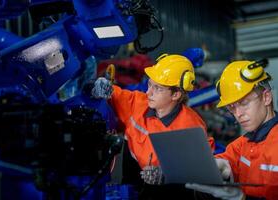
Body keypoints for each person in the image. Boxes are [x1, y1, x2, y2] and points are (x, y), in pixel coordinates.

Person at [92, 53, 215, 198]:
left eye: (157, 88)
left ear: (176, 95)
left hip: (168, 188)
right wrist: (99, 86)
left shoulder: (191, 127)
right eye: (150, 84)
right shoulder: (138, 103)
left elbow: (204, 169)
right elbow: (112, 94)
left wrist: (168, 175)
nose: (148, 92)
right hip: (133, 174)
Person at [186, 59, 278, 200]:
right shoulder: (241, 145)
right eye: (232, 108)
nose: (238, 114)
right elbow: (225, 163)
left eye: (244, 103)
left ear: (266, 97)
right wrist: (216, 167)